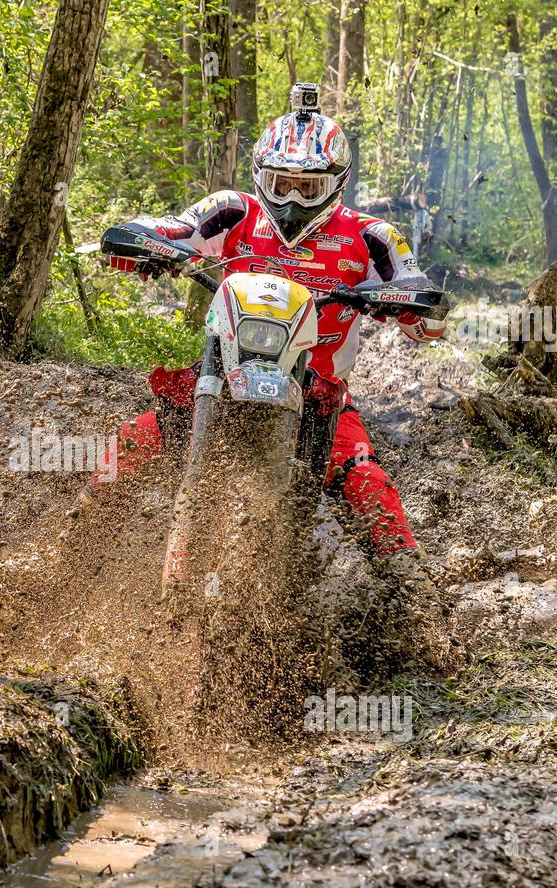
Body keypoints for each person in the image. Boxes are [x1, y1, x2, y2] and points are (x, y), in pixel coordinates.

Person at [87, 83, 460, 668]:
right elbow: (176, 230)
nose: (291, 196)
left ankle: (423, 621)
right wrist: (140, 245)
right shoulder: (232, 210)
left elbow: (417, 295)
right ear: (262, 172)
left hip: (317, 394)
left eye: (306, 186)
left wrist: (411, 306)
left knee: (366, 482)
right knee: (129, 447)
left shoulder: (372, 236)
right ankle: (67, 557)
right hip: (222, 375)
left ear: (335, 182)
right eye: (282, 181)